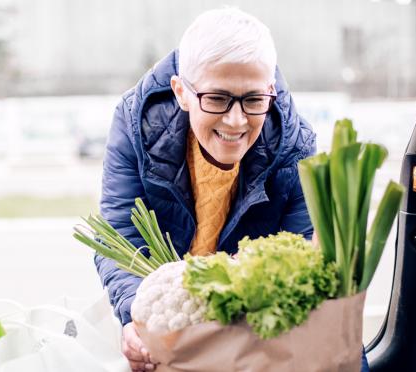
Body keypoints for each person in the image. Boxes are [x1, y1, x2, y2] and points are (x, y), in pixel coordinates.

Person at [95, 7, 369, 372]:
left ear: (269, 90)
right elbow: (120, 234)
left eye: (253, 100)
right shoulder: (135, 122)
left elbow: (301, 253)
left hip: (246, 314)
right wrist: (135, 316)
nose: (236, 120)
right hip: (169, 312)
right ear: (182, 92)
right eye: (217, 99)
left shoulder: (295, 146)